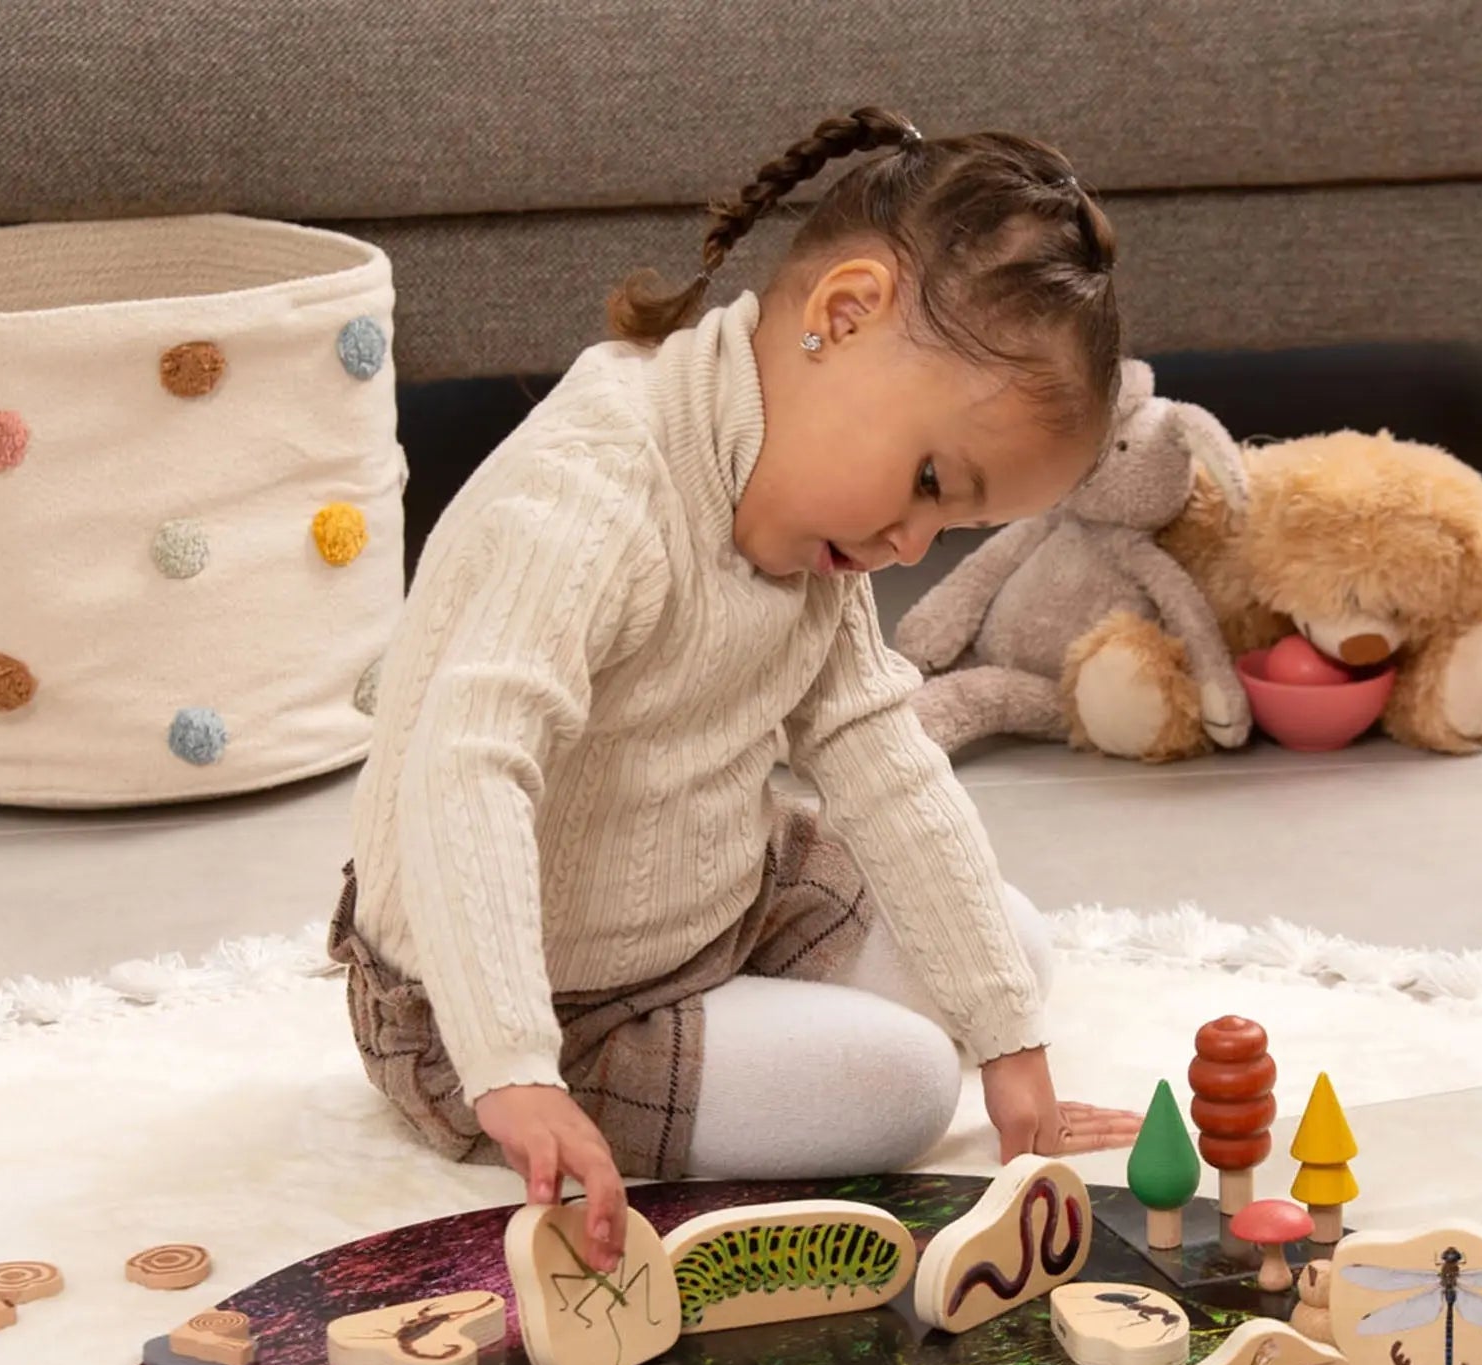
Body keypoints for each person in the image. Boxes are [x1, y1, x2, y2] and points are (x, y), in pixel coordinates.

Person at [331, 106, 1140, 1271]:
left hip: (711, 890)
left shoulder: (813, 505)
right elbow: (466, 771)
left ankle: (789, 1014)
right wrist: (512, 1067)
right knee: (907, 1087)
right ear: (841, 315)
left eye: (951, 522)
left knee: (1012, 963)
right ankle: (614, 1054)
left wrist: (1011, 1046)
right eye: (928, 481)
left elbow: (885, 760)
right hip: (522, 1003)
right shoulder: (596, 489)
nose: (913, 544)